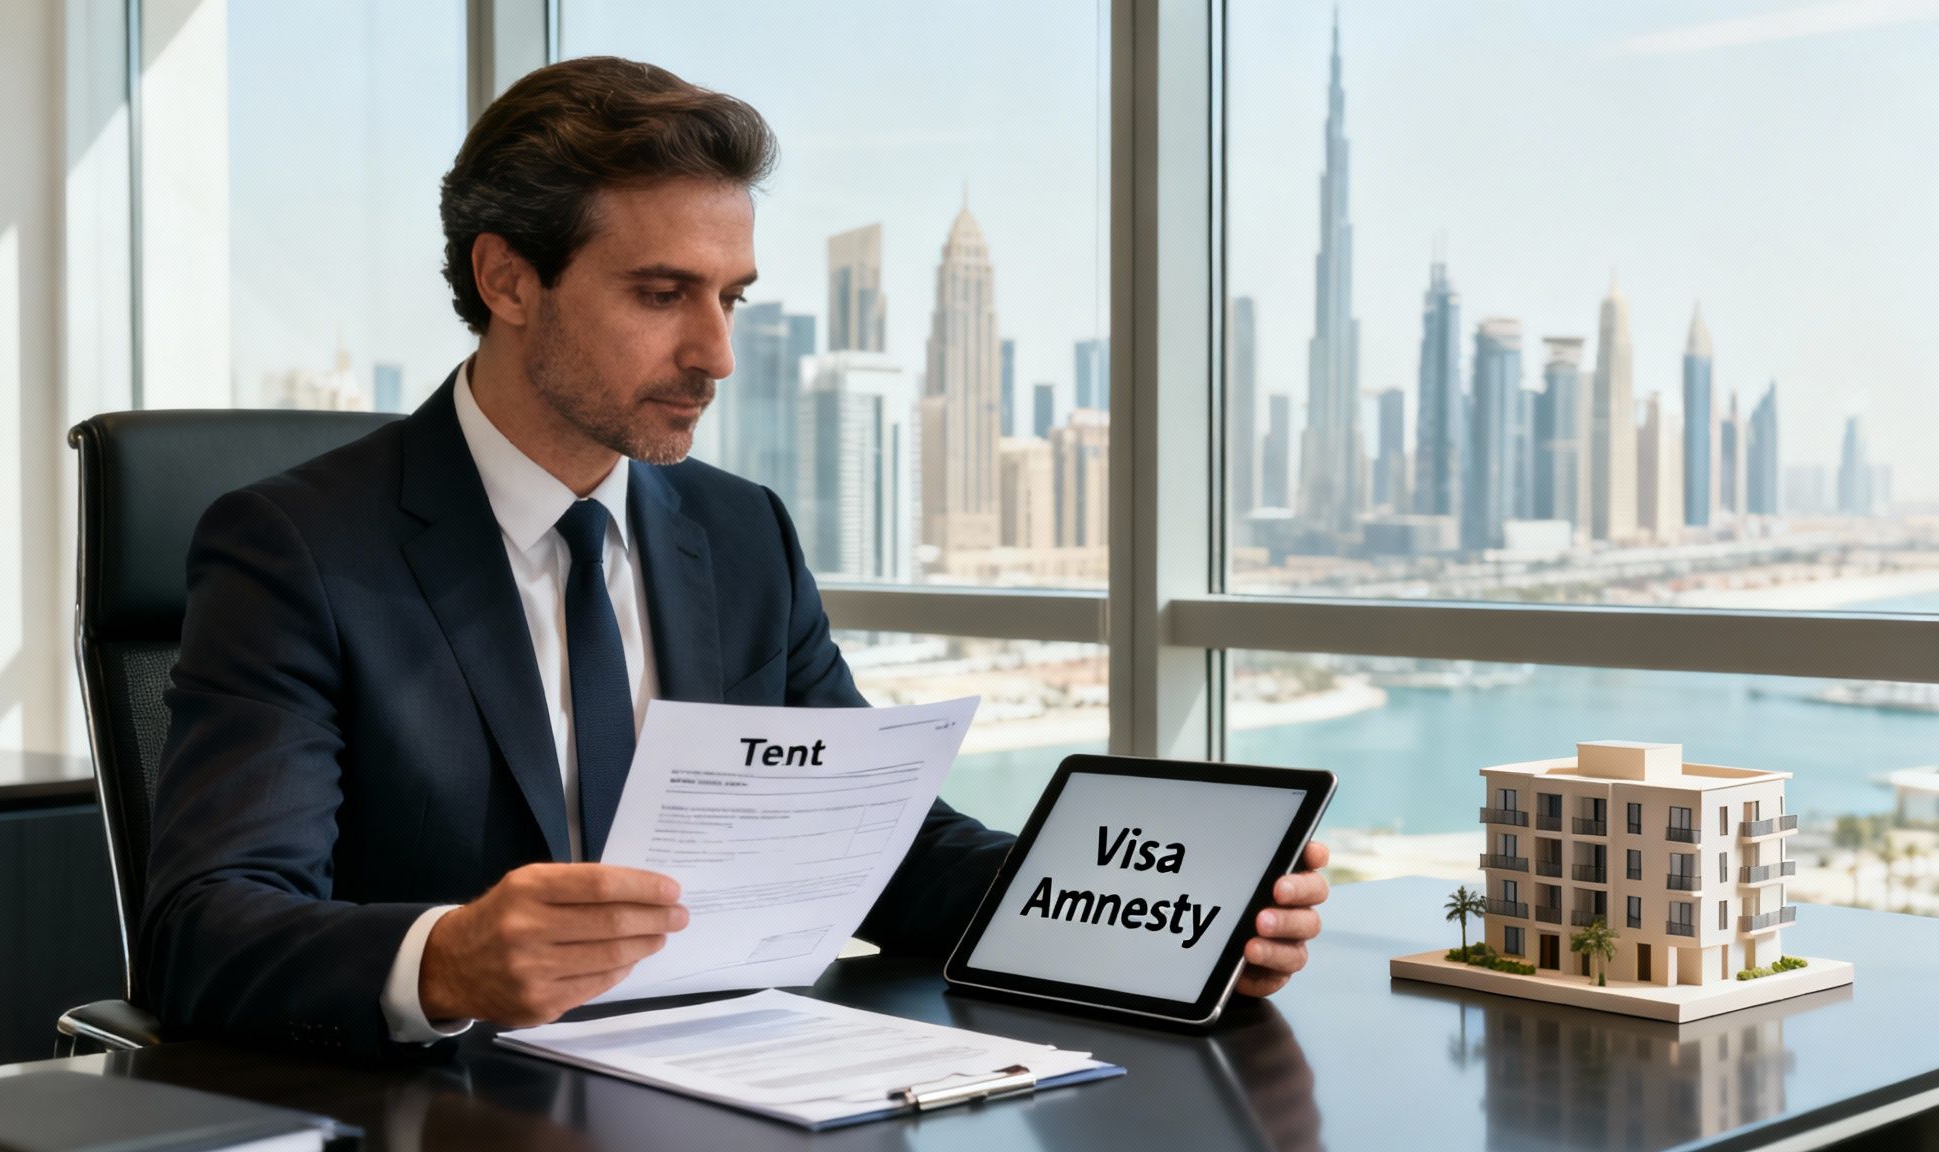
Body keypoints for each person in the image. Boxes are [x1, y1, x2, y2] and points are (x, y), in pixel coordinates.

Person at [142, 55, 1329, 1056]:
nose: (715, 354)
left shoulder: (738, 531)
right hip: (450, 1109)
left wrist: (1162, 920)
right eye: (662, 293)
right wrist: (445, 961)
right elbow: (209, 926)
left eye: (733, 299)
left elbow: (887, 852)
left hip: (722, 1086)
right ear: (507, 278)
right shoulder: (297, 547)